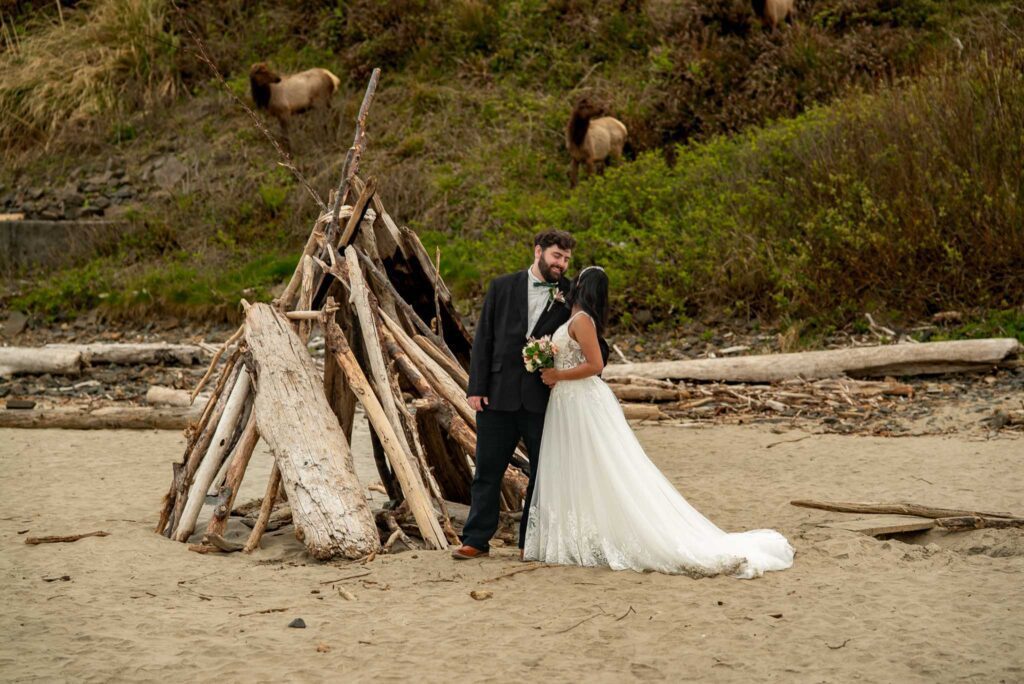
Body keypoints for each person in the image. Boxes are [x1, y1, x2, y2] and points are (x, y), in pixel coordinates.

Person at [524, 266, 794, 578]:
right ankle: (580, 535)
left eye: (580, 278)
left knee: (600, 462)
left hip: (580, 398)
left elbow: (595, 364)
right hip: (566, 401)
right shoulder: (574, 317)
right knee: (577, 465)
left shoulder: (583, 321)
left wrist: (559, 374)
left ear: (585, 286)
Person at [451, 230, 576, 560]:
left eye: (565, 259)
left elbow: (584, 337)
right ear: (538, 252)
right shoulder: (502, 286)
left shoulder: (570, 293)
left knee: (543, 473)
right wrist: (476, 388)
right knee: (487, 471)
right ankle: (476, 540)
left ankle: (529, 543)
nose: (561, 264)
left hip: (543, 399)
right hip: (497, 395)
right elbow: (483, 340)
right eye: (556, 257)